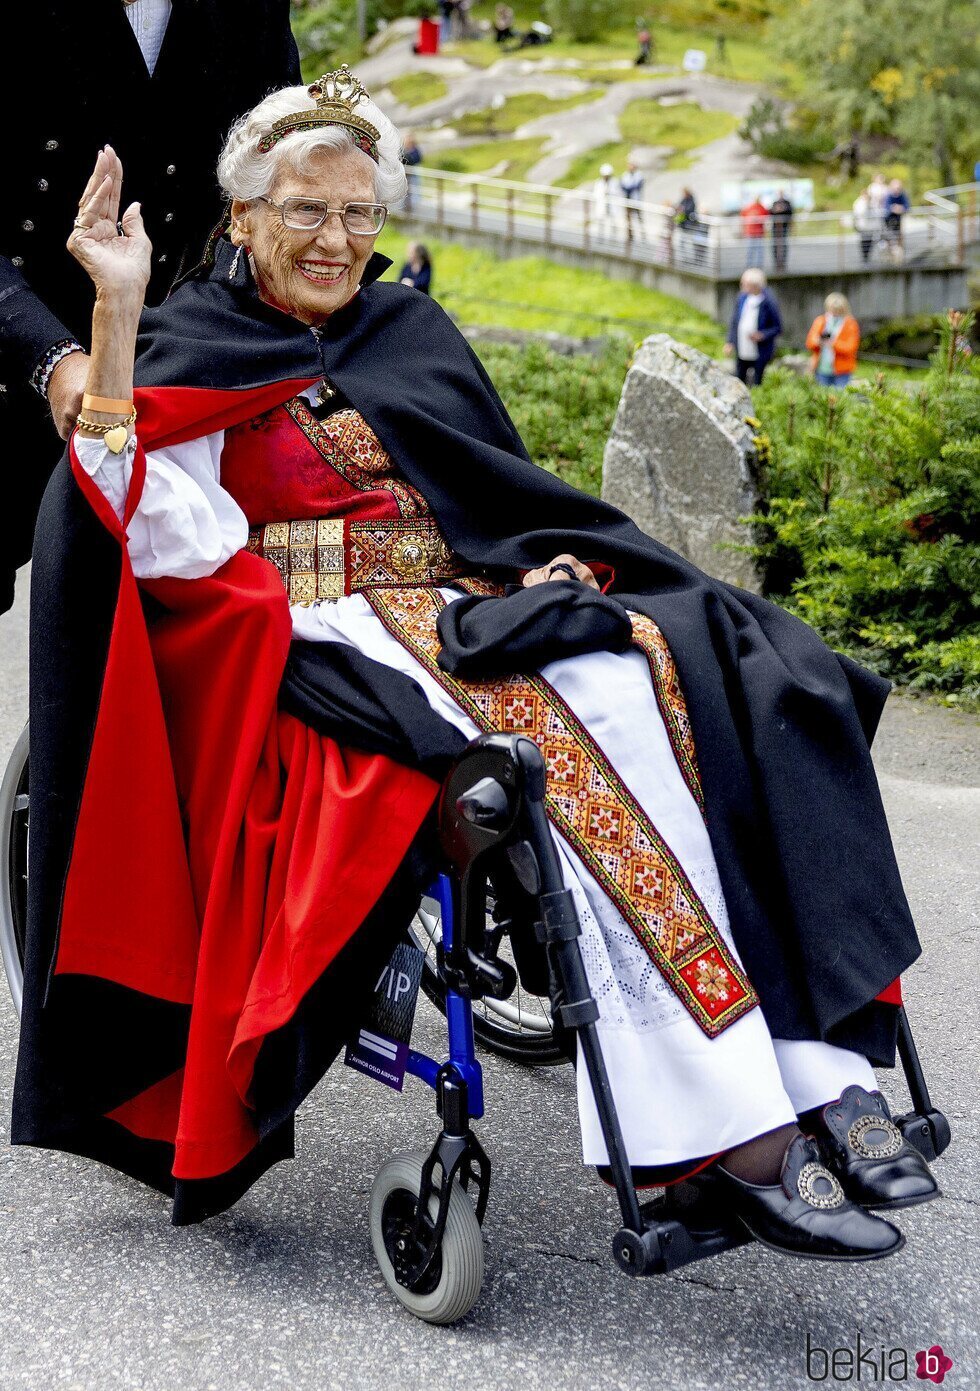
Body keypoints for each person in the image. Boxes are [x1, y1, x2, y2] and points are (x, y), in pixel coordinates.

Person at [16, 70, 936, 1260]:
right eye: (303, 210)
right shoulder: (188, 338)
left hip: (461, 604)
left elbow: (484, 485)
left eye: (359, 214)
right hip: (313, 626)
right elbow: (143, 519)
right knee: (545, 744)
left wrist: (533, 561)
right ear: (241, 216)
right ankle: (722, 1128)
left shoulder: (406, 326)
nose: (335, 239)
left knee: (693, 676)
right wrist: (118, 317)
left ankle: (820, 1063)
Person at [0, 0, 301, 617]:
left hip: (172, 377)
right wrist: (51, 357)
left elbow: (279, 176)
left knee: (150, 627)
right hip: (7, 354)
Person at [723, 268, 782, 385]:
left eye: (745, 283)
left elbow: (777, 327)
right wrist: (730, 342)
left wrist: (762, 335)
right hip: (742, 348)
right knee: (739, 380)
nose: (742, 285)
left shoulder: (768, 301)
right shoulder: (742, 298)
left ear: (755, 285)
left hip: (759, 351)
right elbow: (734, 321)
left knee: (757, 381)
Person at [807, 293, 860, 388]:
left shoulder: (850, 324)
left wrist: (833, 344)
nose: (835, 313)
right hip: (821, 368)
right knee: (822, 397)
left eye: (838, 310)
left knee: (840, 399)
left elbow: (850, 347)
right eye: (833, 309)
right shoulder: (821, 321)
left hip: (842, 370)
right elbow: (810, 342)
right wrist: (818, 342)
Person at [592, 163, 620, 241]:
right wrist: (603, 193)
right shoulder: (599, 183)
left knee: (613, 222)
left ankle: (614, 238)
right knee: (601, 222)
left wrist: (609, 192)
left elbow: (618, 193)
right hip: (602, 205)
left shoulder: (615, 182)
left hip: (612, 206)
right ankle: (600, 237)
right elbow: (595, 195)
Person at [740, 194, 769, 269]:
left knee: (759, 250)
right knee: (750, 249)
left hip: (759, 233)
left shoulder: (762, 208)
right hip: (750, 232)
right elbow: (743, 217)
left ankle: (759, 266)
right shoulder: (749, 207)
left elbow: (767, 217)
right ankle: (749, 265)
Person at [620, 159, 645, 243]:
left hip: (636, 199)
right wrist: (628, 188)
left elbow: (637, 186)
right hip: (627, 199)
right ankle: (630, 235)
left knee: (639, 217)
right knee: (628, 218)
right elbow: (623, 185)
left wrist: (629, 188)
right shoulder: (625, 175)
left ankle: (642, 233)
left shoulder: (639, 175)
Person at [884, 179, 910, 260]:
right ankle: (890, 255)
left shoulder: (903, 195)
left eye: (899, 188)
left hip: (898, 220)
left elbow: (907, 206)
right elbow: (887, 207)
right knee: (888, 237)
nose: (897, 190)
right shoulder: (888, 195)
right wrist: (894, 208)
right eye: (896, 188)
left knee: (900, 236)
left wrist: (900, 208)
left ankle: (900, 257)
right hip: (888, 220)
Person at [769, 189, 793, 272]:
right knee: (775, 245)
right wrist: (776, 210)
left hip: (784, 227)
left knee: (784, 245)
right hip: (776, 228)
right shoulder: (775, 203)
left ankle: (783, 262)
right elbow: (770, 212)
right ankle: (777, 263)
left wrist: (783, 209)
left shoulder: (787, 203)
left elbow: (790, 213)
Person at [852, 188, 877, 264]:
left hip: (870, 227)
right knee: (864, 242)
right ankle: (865, 258)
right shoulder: (859, 203)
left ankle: (867, 258)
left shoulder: (870, 203)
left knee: (870, 242)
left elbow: (874, 213)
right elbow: (859, 213)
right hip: (862, 226)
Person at [401, 132, 424, 207]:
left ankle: (413, 204)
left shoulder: (415, 150)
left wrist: (409, 158)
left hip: (413, 171)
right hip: (405, 172)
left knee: (413, 187)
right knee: (405, 188)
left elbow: (418, 159)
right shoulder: (403, 149)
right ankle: (406, 204)